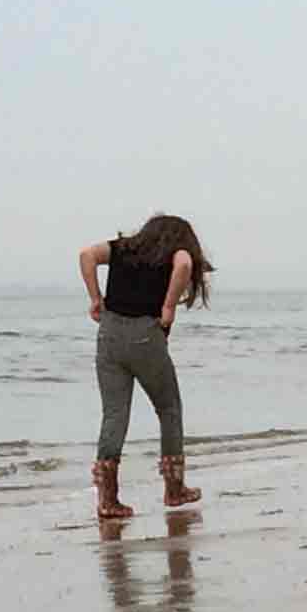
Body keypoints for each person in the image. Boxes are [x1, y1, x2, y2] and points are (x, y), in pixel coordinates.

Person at [77, 213, 214, 521]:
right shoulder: (172, 254)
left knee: (114, 414)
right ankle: (174, 488)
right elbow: (183, 265)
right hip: (144, 337)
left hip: (109, 335)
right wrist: (168, 307)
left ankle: (108, 501)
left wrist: (95, 298)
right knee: (168, 409)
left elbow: (86, 255)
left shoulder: (123, 248)